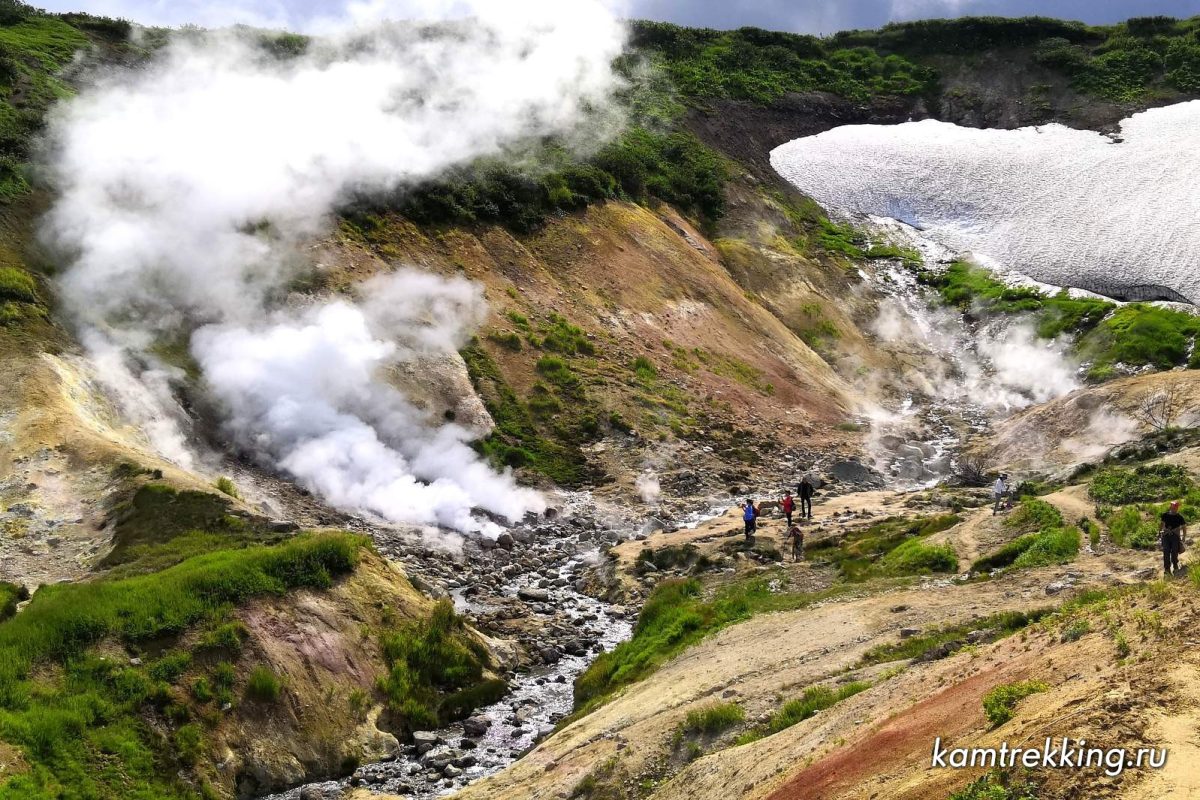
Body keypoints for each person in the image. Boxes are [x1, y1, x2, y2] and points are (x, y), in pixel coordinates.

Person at [1160, 500, 1188, 577]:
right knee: (1166, 551)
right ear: (1170, 506)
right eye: (1173, 507)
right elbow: (1162, 524)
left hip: (1175, 536)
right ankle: (1167, 569)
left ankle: (1175, 565)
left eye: (1176, 507)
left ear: (1177, 508)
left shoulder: (1179, 517)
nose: (1174, 508)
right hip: (1166, 535)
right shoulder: (1165, 515)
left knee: (1174, 551)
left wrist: (1183, 537)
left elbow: (1184, 527)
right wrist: (1159, 533)